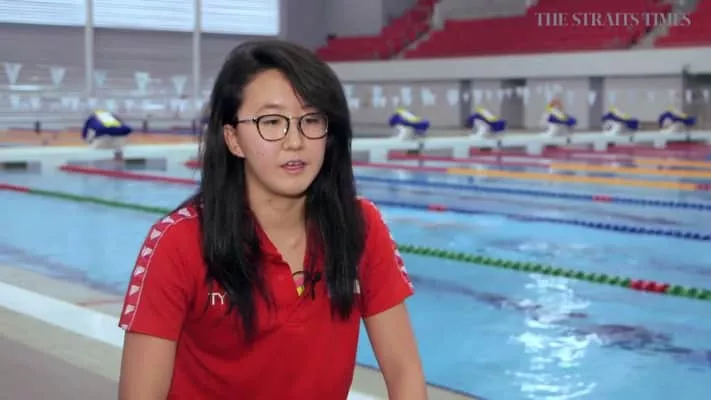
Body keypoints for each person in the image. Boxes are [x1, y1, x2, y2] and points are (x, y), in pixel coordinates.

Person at [117, 39, 427, 399]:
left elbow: (404, 372)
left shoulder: (360, 226)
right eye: (272, 122)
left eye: (311, 120)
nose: (295, 141)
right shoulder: (179, 243)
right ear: (233, 139)